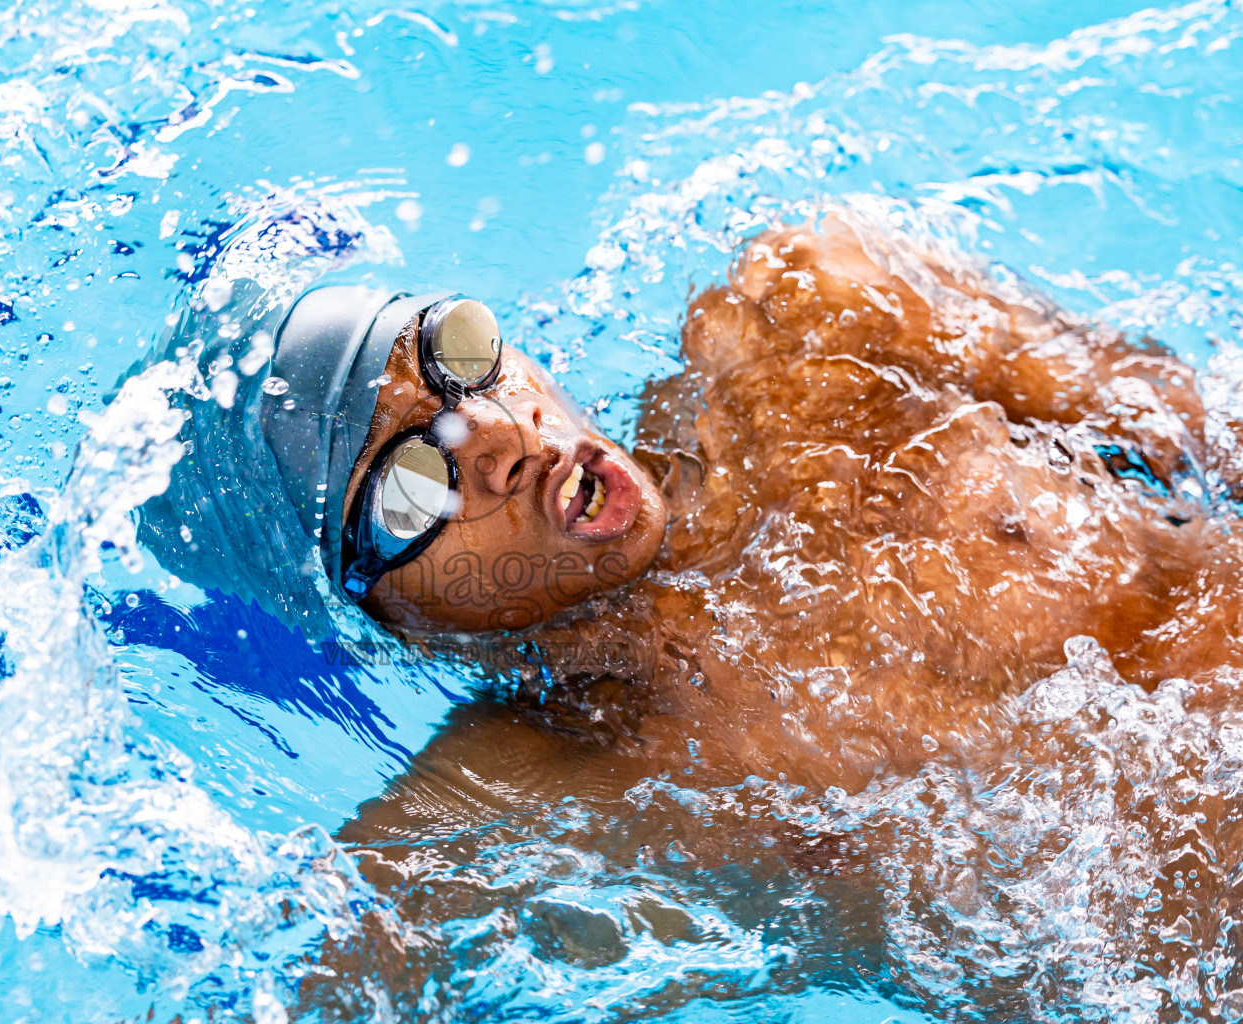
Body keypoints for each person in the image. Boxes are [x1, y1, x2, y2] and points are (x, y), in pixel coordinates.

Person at [142, 209, 1243, 1015]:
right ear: (390, 616)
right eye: (412, 486)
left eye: (456, 358)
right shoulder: (540, 778)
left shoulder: (813, 328)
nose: (497, 438)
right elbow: (307, 977)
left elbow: (1194, 420)